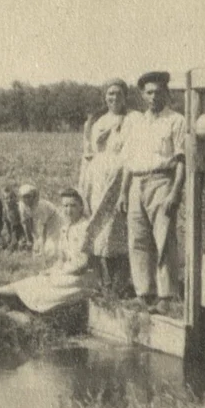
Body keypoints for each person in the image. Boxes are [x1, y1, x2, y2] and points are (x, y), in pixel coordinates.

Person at [116, 71, 186, 315]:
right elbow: (129, 161)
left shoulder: (176, 121)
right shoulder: (136, 122)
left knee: (164, 238)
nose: (154, 96)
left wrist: (175, 192)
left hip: (161, 181)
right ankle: (143, 293)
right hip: (136, 182)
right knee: (138, 239)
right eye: (149, 92)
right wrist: (124, 193)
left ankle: (167, 295)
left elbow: (181, 160)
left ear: (166, 93)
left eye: (158, 92)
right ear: (142, 96)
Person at [0, 188, 97, 314]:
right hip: (67, 273)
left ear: (81, 207)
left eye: (73, 205)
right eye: (65, 206)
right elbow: (61, 259)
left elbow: (83, 263)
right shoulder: (65, 227)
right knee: (36, 280)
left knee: (45, 286)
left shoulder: (85, 228)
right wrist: (51, 270)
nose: (68, 210)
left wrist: (59, 272)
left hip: (81, 278)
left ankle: (8, 302)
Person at [79, 78, 140, 297]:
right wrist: (84, 186)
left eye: (118, 94)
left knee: (118, 230)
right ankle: (103, 282)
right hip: (98, 180)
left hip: (120, 179)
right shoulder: (99, 122)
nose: (113, 98)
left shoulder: (133, 119)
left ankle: (120, 283)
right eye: (110, 94)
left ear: (125, 96)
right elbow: (89, 155)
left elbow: (132, 153)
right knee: (99, 230)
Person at [18, 184, 62, 258]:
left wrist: (42, 245)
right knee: (36, 242)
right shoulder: (21, 205)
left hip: (53, 220)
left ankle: (44, 252)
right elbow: (25, 223)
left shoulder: (40, 206)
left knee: (51, 248)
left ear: (33, 196)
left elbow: (43, 228)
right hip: (38, 220)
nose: (26, 199)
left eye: (29, 196)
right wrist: (29, 240)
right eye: (24, 197)